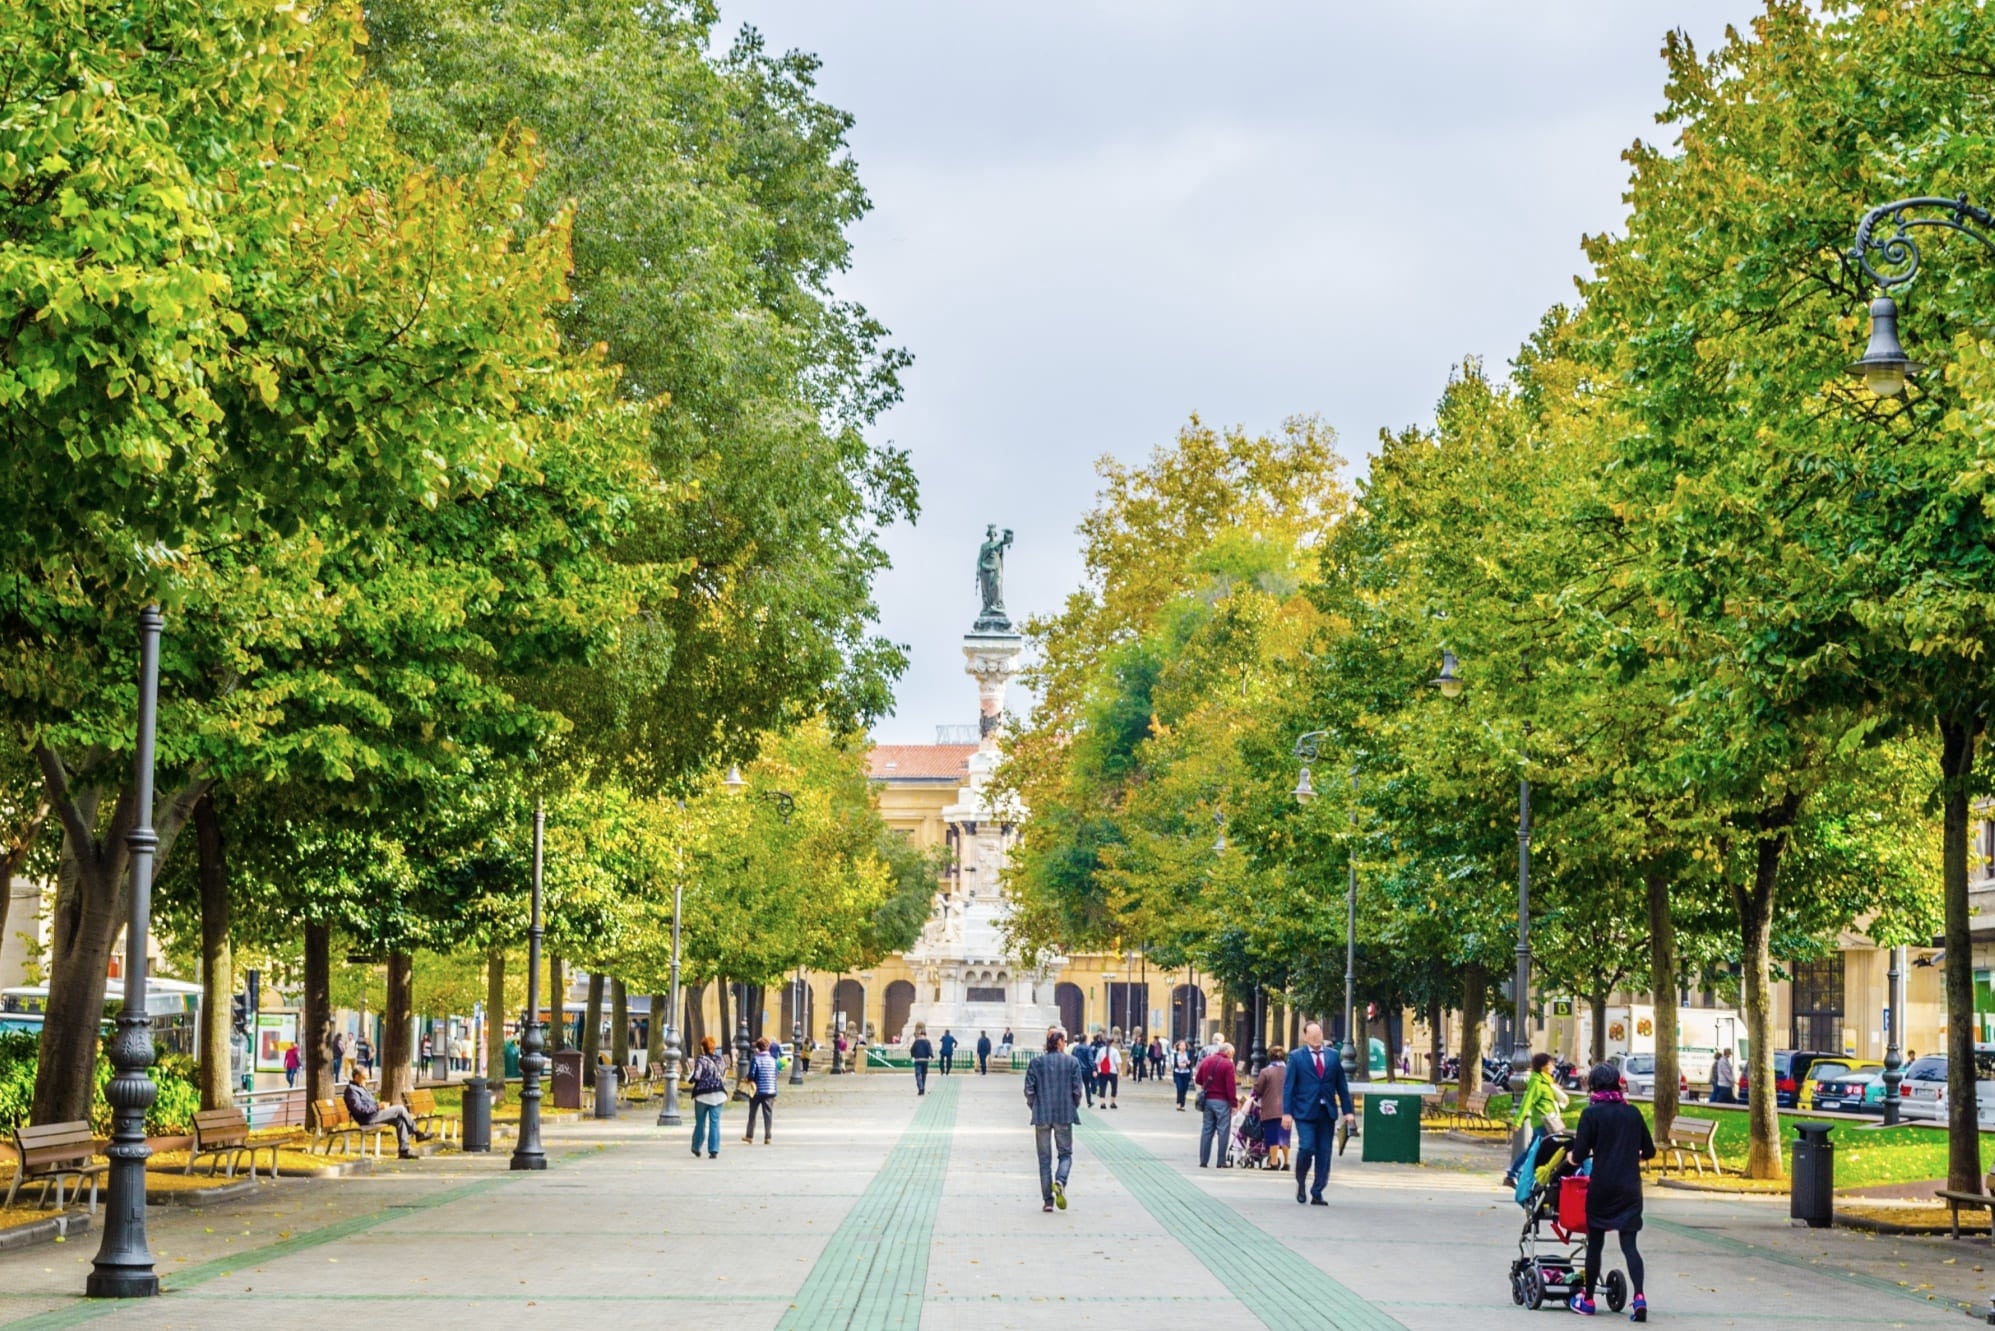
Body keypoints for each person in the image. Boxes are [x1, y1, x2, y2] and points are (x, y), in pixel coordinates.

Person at [1567, 1063, 1656, 1320]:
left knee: (1595, 1244)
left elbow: (1580, 1154)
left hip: (1602, 1187)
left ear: (1593, 1084)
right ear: (1618, 1083)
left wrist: (1571, 1158)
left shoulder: (1591, 1114)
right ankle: (1639, 1298)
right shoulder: (1633, 1113)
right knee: (1630, 1245)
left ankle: (1589, 1300)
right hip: (1629, 1188)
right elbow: (1649, 1151)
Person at [1283, 1022, 1356, 1205]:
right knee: (1307, 1147)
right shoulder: (1296, 1057)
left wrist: (1348, 1112)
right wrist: (1286, 1113)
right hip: (1304, 1112)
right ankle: (1301, 1181)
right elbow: (1288, 1088)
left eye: (1318, 1035)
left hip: (1327, 1112)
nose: (1316, 1039)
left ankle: (1317, 1191)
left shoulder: (1333, 1057)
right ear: (1305, 1036)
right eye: (1312, 1036)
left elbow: (1342, 1086)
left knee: (1324, 1153)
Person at [1024, 1027, 1085, 1213]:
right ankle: (1060, 1180)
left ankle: (1048, 1201)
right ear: (1060, 1043)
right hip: (1064, 1114)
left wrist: (1035, 1105)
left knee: (1044, 1159)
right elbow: (1077, 1090)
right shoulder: (1072, 1062)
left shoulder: (1036, 1063)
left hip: (1042, 1114)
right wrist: (1072, 1105)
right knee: (1065, 1154)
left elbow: (1029, 1089)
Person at [1504, 1052, 1570, 1188]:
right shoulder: (1536, 1081)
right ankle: (1519, 1174)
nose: (1553, 1066)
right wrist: (1518, 1121)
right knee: (1543, 1149)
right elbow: (1527, 1101)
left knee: (1535, 1150)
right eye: (1550, 1063)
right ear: (1543, 1066)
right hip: (1543, 1122)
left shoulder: (1546, 1080)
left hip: (1549, 1120)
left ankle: (1515, 1174)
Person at [342, 1067, 431, 1159]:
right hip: (367, 1118)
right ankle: (417, 1133)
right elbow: (358, 1109)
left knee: (399, 1120)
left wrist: (380, 1105)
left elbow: (369, 1104)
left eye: (368, 1078)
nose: (367, 1081)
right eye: (365, 1078)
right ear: (356, 1077)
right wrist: (378, 1106)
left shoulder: (361, 1087)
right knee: (399, 1109)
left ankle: (404, 1151)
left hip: (373, 1115)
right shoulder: (352, 1090)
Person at [1193, 1041, 1239, 1167]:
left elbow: (1197, 1079)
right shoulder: (1228, 1065)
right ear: (1228, 1052)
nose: (1232, 1057)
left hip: (1208, 1100)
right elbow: (1231, 1087)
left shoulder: (1206, 1060)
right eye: (1232, 1055)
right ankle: (1221, 1161)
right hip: (1222, 1102)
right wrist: (1234, 1103)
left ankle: (1203, 1160)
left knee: (1207, 1130)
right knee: (1223, 1131)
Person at [689, 1036, 728, 1159]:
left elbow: (697, 1076)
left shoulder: (701, 1060)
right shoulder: (720, 1059)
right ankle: (714, 1150)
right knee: (715, 1123)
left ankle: (696, 1147)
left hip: (702, 1095)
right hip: (718, 1095)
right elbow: (722, 1073)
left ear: (702, 1048)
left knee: (700, 1122)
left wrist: (690, 1080)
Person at [1253, 1045, 1290, 1171]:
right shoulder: (1289, 1071)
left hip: (1270, 1108)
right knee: (1285, 1136)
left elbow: (1258, 1089)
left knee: (1273, 1136)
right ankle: (1286, 1162)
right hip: (1287, 1109)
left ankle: (1273, 1162)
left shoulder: (1265, 1072)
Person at [743, 1037, 779, 1144]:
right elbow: (776, 1074)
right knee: (768, 1114)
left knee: (752, 1113)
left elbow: (752, 1075)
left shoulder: (756, 1059)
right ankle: (768, 1137)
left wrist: (747, 1078)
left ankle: (749, 1136)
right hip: (770, 1091)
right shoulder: (773, 1060)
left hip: (757, 1091)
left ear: (758, 1048)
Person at [1095, 1035, 1121, 1109]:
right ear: (1112, 1043)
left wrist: (1098, 1070)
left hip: (1102, 1072)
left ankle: (1102, 1103)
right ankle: (1112, 1102)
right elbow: (1118, 1062)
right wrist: (1120, 1072)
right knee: (1114, 1087)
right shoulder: (1115, 1051)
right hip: (1113, 1071)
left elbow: (1097, 1062)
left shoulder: (1100, 1050)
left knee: (1102, 1087)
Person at [909, 1025, 935, 1095]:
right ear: (925, 1035)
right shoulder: (927, 1042)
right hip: (925, 1060)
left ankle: (920, 1087)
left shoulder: (916, 1042)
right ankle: (922, 1088)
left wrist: (913, 1056)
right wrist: (932, 1057)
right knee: (924, 1075)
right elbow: (930, 1050)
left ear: (920, 1035)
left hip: (918, 1060)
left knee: (918, 1074)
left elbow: (912, 1050)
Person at [1171, 1040, 1194, 1110]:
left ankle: (1182, 1105)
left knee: (1184, 1089)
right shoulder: (1175, 1054)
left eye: (1184, 1045)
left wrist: (1187, 1063)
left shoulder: (1188, 1054)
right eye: (1181, 1045)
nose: (1183, 1047)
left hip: (1186, 1073)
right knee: (1179, 1088)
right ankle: (1178, 1103)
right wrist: (1180, 1065)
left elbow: (1191, 1063)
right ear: (1178, 1047)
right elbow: (1174, 1064)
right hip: (1178, 1073)